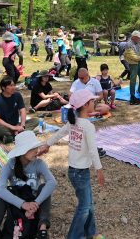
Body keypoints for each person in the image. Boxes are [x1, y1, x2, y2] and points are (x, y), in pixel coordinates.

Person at [45, 90, 106, 239]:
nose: (94, 103)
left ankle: (91, 232)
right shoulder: (87, 126)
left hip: (74, 171)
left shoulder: (73, 121)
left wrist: (47, 144)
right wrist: (99, 170)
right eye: (92, 101)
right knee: (84, 206)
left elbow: (59, 133)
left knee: (88, 202)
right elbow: (93, 150)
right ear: (86, 105)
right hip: (80, 173)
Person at [0, 131, 55, 239]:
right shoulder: (10, 165)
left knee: (44, 188)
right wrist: (22, 204)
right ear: (22, 151)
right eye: (32, 148)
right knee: (3, 193)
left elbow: (52, 182)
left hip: (34, 204)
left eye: (36, 147)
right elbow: (0, 190)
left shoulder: (38, 163)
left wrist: (35, 203)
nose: (37, 151)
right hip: (16, 204)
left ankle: (42, 229)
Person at [0, 77, 39, 143]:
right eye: (10, 86)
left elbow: (22, 110)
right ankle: (23, 134)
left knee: (36, 120)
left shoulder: (17, 95)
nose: (13, 87)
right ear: (3, 88)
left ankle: (12, 137)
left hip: (17, 125)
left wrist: (22, 125)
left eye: (14, 85)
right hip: (4, 126)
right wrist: (13, 128)